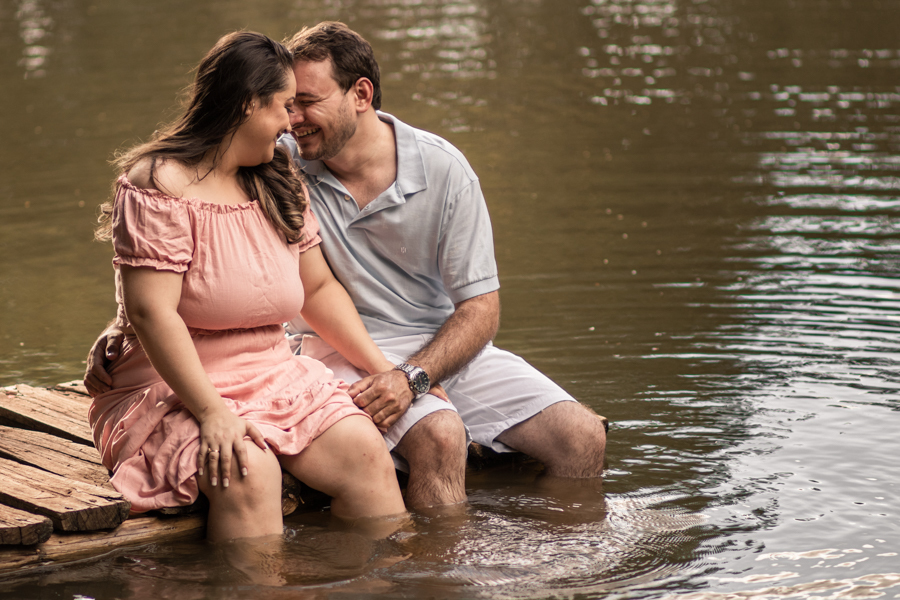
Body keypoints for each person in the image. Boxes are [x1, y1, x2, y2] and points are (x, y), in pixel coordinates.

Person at [88, 22, 608, 511]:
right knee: (441, 435)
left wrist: (414, 376)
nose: (292, 119)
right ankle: (437, 571)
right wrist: (125, 321)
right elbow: (178, 234)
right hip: (329, 346)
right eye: (286, 105)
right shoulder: (276, 162)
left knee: (583, 438)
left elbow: (481, 309)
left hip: (433, 346)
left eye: (306, 102)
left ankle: (563, 558)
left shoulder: (443, 170)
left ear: (360, 95)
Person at [86, 30, 406, 542]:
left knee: (365, 452)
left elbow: (319, 289)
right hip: (174, 384)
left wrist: (386, 370)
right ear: (245, 106)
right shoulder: (158, 183)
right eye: (282, 106)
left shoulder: (277, 176)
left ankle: (381, 587)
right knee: (248, 471)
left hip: (271, 370)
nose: (288, 124)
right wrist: (212, 412)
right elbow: (152, 313)